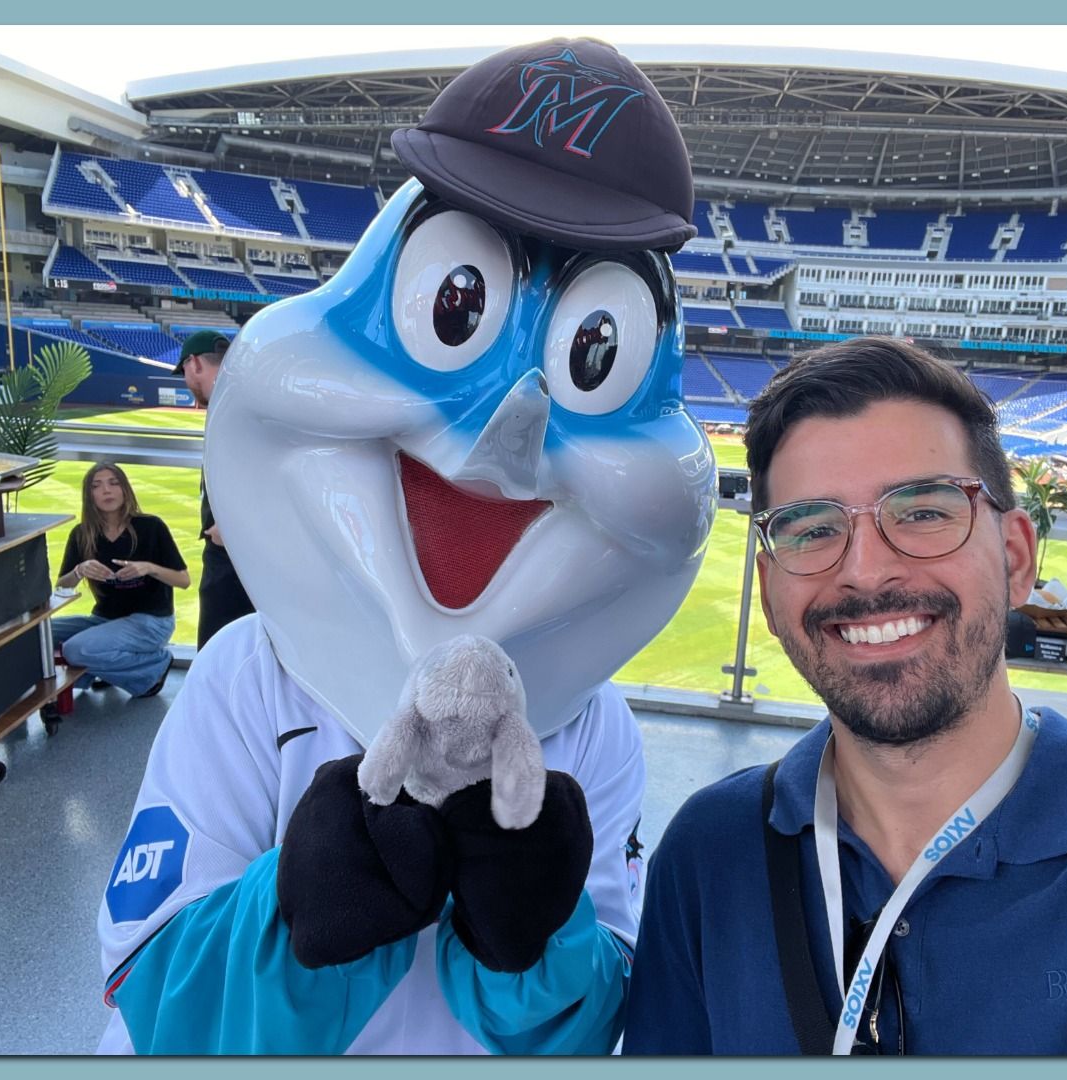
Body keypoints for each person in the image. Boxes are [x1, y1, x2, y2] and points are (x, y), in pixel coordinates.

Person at [93, 38, 715, 1055]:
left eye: (593, 355)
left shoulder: (593, 732)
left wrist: (534, 937)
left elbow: (595, 1013)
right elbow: (145, 985)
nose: (506, 434)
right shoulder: (248, 682)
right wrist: (299, 915)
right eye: (454, 304)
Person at [625, 337, 1067, 1055]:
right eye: (811, 528)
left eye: (925, 512)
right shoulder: (709, 855)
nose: (866, 573)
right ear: (771, 599)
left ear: (1016, 559)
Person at [52, 462, 190, 699]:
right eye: (97, 486)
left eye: (113, 483)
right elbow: (62, 587)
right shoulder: (81, 534)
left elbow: (183, 580)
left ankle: (155, 665)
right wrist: (79, 570)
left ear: (125, 490)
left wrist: (148, 568)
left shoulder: (151, 526)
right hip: (104, 619)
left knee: (75, 650)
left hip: (152, 621)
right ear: (89, 495)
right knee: (36, 633)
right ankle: (106, 671)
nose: (106, 490)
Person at [172, 329, 256, 651]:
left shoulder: (233, 402)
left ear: (193, 363)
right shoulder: (237, 397)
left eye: (184, 372)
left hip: (233, 553)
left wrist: (233, 527)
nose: (186, 381)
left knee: (218, 653)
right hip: (236, 549)